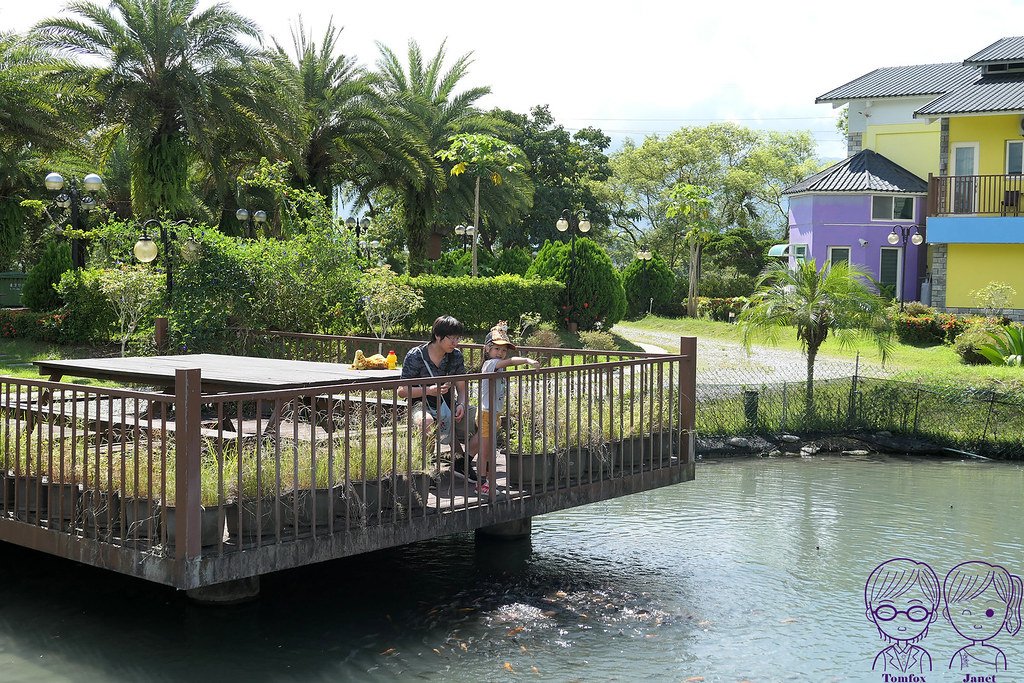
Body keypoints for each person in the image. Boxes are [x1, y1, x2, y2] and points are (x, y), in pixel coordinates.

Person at [397, 315, 478, 481]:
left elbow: (462, 388)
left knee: (485, 420)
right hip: (421, 404)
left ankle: (463, 462)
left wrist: (461, 404)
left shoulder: (456, 356)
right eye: (452, 338)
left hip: (449, 404)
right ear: (437, 336)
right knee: (427, 422)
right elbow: (402, 391)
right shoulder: (416, 355)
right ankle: (426, 470)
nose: (456, 342)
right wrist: (429, 390)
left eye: (458, 338)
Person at [476, 322, 540, 495]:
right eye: (497, 349)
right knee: (484, 451)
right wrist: (526, 360)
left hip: (494, 413)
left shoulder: (498, 365)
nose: (500, 353)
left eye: (504, 350)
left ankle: (488, 481)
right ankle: (481, 483)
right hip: (485, 413)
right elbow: (510, 362)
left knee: (490, 451)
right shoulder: (489, 364)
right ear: (487, 349)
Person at [864, 557, 941, 673]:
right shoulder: (882, 657)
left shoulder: (923, 656)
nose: (901, 622)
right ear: (871, 614)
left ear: (932, 616)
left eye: (916, 611)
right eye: (886, 611)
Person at [943, 560, 1022, 672]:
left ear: (1007, 613)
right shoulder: (961, 655)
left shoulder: (997, 655)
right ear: (947, 614)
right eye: (966, 612)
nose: (977, 624)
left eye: (990, 613)